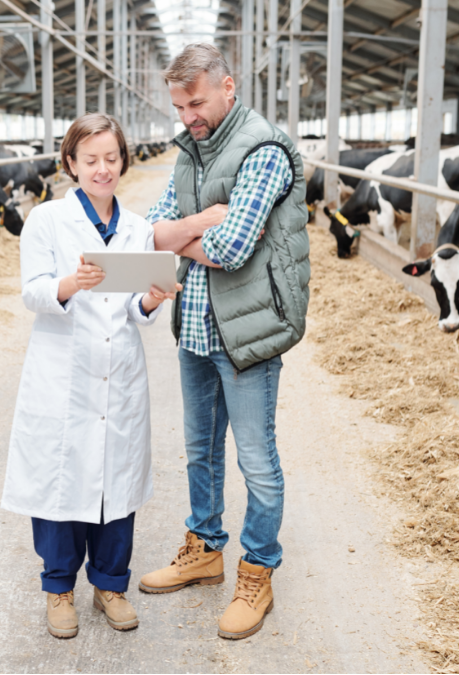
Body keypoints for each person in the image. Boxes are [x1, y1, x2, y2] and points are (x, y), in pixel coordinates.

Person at [139, 43, 311, 640]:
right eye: (180, 105)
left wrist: (184, 234)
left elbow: (232, 250)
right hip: (192, 326)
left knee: (256, 461)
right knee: (200, 450)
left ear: (228, 87)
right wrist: (199, 221)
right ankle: (205, 548)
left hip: (247, 334)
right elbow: (150, 233)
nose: (189, 114)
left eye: (198, 100)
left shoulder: (263, 150)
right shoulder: (188, 151)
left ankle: (258, 568)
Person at [1, 113, 179, 639]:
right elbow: (33, 291)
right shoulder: (46, 221)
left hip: (118, 371)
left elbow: (132, 308)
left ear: (123, 160)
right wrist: (69, 283)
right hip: (62, 372)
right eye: (91, 160)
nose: (103, 169)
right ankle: (59, 590)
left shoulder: (138, 227)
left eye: (111, 158)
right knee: (60, 483)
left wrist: (150, 299)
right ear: (71, 163)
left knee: (114, 484)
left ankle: (110, 585)